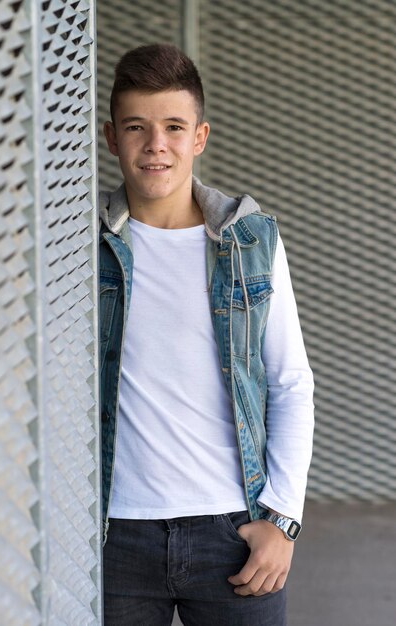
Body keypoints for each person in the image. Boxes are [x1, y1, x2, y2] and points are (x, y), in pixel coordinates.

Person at [99, 43, 314, 626]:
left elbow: (291, 382)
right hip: (112, 534)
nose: (156, 145)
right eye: (137, 127)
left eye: (173, 126)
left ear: (200, 136)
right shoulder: (80, 247)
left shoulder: (250, 240)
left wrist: (282, 520)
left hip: (233, 531)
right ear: (111, 138)